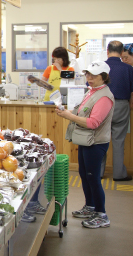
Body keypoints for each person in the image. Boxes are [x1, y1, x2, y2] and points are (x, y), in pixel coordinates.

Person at [56, 60, 114, 229]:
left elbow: (93, 123)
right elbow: (82, 112)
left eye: (94, 76)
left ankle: (101, 214)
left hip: (96, 143)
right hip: (86, 140)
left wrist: (69, 116)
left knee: (93, 178)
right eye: (88, 74)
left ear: (103, 77)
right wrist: (66, 111)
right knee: (84, 174)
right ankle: (90, 206)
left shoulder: (104, 96)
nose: (89, 78)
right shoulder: (92, 91)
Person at [102, 41, 133, 181]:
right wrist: (128, 105)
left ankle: (99, 172)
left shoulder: (100, 67)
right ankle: (119, 174)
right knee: (119, 141)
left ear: (107, 51)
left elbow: (90, 87)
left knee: (101, 139)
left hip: (102, 106)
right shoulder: (128, 68)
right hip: (121, 105)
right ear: (121, 53)